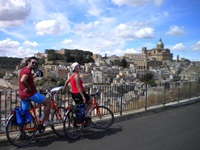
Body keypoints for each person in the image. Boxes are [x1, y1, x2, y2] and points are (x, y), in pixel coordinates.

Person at [19, 56, 54, 126]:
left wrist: (35, 76)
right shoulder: (27, 71)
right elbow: (23, 80)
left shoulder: (24, 70)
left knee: (24, 113)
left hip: (23, 94)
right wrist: (28, 87)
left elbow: (28, 79)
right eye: (33, 62)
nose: (34, 64)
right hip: (30, 94)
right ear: (28, 62)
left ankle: (22, 132)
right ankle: (46, 121)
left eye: (36, 63)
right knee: (48, 102)